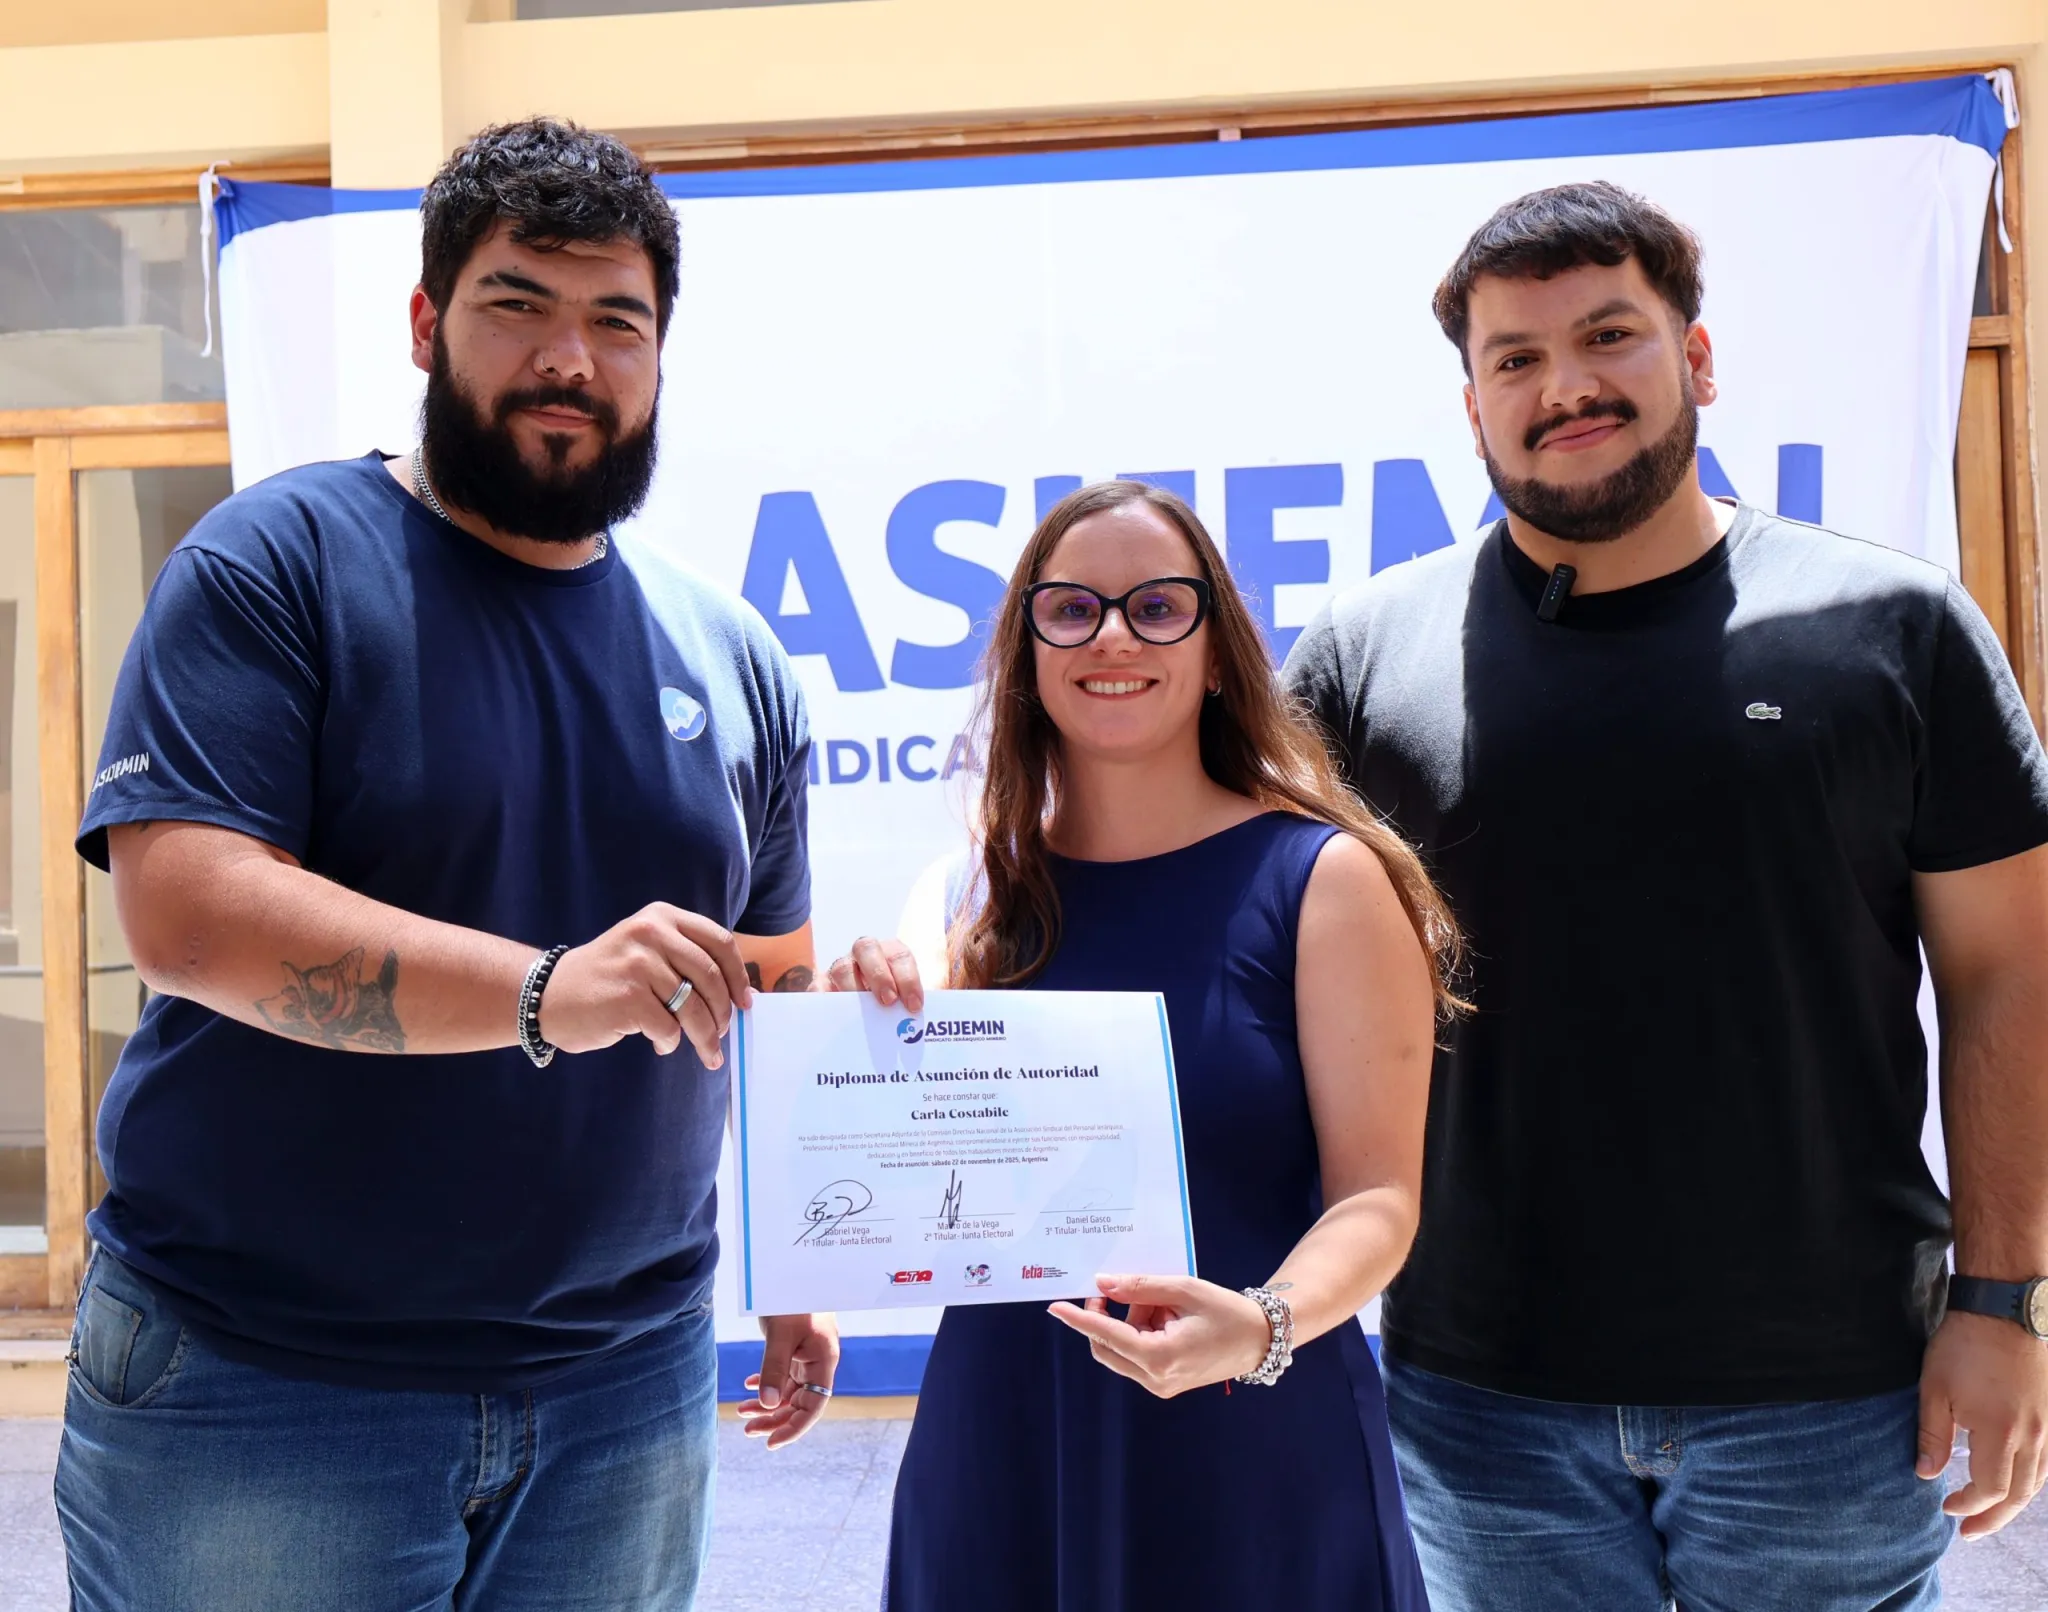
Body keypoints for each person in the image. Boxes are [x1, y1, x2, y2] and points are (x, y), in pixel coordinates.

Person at [56, 119, 911, 1612]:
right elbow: (185, 913)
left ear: (658, 357)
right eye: (519, 305)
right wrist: (543, 994)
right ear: (427, 323)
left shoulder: (729, 651)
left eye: (616, 322)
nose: (568, 358)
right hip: (269, 1381)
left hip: (624, 1395)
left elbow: (757, 989)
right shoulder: (280, 565)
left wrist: (803, 1250)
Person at [1283, 180, 2048, 1612]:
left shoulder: (1897, 629)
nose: (1564, 386)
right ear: (1471, 406)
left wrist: (2005, 1303)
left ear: (1695, 361)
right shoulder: (1362, 658)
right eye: (1515, 359)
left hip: (1832, 1396)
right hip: (1483, 1393)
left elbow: (2012, 974)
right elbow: (1206, 909)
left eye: (1609, 337)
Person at [828, 479, 1458, 1611]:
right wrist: (856, 1028)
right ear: (1026, 654)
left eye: (1156, 605)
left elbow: (1378, 1201)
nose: (1111, 634)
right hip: (1004, 1443)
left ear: (1218, 652)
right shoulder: (970, 894)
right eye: (1069, 609)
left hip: (1249, 1442)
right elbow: (885, 1171)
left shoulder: (1324, 881)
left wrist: (1260, 1325)